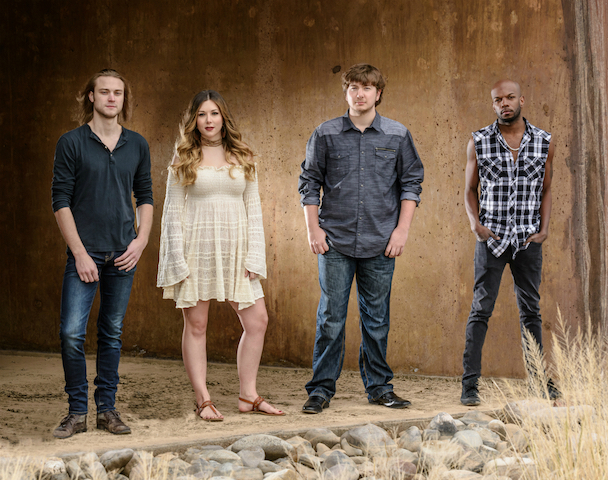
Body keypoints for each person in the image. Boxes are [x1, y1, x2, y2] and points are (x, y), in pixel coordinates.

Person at [298, 64, 424, 414]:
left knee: (377, 319)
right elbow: (309, 182)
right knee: (330, 318)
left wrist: (401, 230)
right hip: (334, 241)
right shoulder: (325, 133)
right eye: (353, 87)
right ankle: (320, 390)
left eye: (367, 88)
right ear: (346, 92)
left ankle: (380, 388)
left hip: (381, 242)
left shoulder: (397, 135)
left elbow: (411, 183)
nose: (360, 94)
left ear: (378, 93)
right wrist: (312, 228)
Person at [157, 90, 284, 421]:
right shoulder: (183, 158)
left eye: (214, 113)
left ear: (223, 118)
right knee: (197, 324)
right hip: (196, 249)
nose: (208, 120)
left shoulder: (243, 156)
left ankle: (248, 396)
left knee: (257, 321)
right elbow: (172, 213)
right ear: (194, 120)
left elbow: (253, 209)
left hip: (236, 250)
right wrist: (177, 260)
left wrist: (255, 257)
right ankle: (203, 399)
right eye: (201, 114)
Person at [51, 69, 154, 438]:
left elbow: (145, 196)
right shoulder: (71, 142)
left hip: (124, 253)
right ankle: (77, 412)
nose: (112, 98)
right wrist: (79, 253)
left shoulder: (137, 144)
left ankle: (106, 410)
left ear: (124, 99)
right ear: (91, 97)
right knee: (71, 333)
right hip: (86, 253)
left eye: (118, 93)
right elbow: (60, 201)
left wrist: (141, 241)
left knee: (111, 333)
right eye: (105, 92)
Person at [461, 79, 558, 406]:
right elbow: (469, 189)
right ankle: (470, 385)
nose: (504, 103)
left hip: (528, 240)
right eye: (498, 99)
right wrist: (476, 225)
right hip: (491, 239)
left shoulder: (544, 141)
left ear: (521, 100)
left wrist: (544, 230)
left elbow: (546, 189)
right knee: (481, 309)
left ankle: (539, 382)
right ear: (493, 104)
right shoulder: (479, 141)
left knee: (531, 310)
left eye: (510, 97)